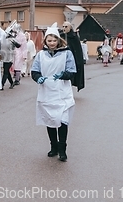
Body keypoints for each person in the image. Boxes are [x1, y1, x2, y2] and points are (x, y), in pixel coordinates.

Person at [31, 22, 76, 162]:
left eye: (54, 40)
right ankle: (54, 147)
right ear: (45, 41)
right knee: (50, 120)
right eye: (49, 40)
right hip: (46, 92)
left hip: (62, 92)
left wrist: (62, 75)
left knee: (62, 121)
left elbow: (72, 71)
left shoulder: (67, 53)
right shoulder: (40, 55)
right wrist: (38, 78)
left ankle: (62, 149)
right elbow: (34, 70)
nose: (52, 43)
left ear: (58, 40)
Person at [60, 22, 85, 91]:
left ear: (70, 28)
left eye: (66, 27)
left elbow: (77, 50)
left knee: (70, 76)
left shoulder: (74, 37)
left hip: (71, 59)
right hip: (61, 58)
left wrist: (78, 61)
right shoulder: (61, 36)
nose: (64, 28)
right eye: (63, 26)